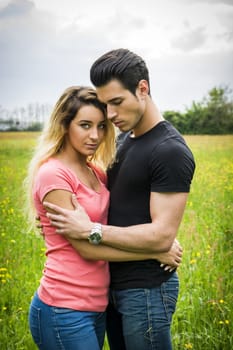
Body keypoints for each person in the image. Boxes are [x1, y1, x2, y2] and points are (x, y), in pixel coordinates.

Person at [43, 49, 196, 350]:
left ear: (142, 89)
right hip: (110, 288)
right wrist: (56, 220)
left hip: (147, 291)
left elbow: (162, 235)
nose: (110, 115)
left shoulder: (169, 150)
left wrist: (89, 230)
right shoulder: (125, 140)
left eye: (117, 102)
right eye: (105, 105)